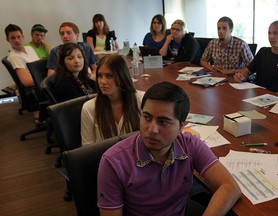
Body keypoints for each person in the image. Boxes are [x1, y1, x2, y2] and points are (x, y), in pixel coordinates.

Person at [97, 81, 241, 216]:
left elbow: (230, 187)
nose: (152, 129)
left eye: (163, 122)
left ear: (181, 126)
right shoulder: (113, 162)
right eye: (147, 118)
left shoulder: (190, 145)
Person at [81, 54, 144, 145]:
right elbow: (86, 149)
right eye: (99, 76)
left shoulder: (142, 100)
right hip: (103, 158)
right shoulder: (89, 108)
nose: (102, 81)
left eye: (109, 76)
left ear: (122, 77)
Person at [234, 20, 278, 93]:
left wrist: (275, 95)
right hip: (257, 95)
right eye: (269, 33)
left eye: (275, 33)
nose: (271, 37)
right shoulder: (263, 52)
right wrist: (241, 76)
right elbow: (247, 71)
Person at [4, 24, 40, 122]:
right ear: (8, 40)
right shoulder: (14, 56)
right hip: (35, 89)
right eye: (12, 38)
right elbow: (27, 82)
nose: (16, 40)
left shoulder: (30, 48)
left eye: (18, 37)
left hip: (40, 82)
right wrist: (46, 79)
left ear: (23, 37)